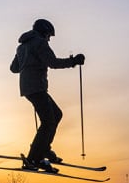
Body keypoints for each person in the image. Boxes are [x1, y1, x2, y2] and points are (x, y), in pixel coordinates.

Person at [9, 18, 85, 172]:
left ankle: (43, 149)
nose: (49, 39)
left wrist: (28, 61)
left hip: (29, 88)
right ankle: (35, 158)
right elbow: (53, 63)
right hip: (37, 87)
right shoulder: (40, 43)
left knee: (56, 115)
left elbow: (14, 68)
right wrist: (74, 61)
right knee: (48, 122)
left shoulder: (22, 46)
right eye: (49, 35)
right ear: (44, 32)